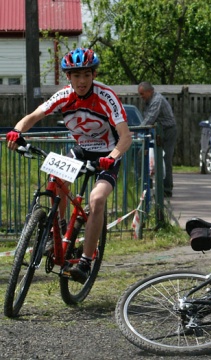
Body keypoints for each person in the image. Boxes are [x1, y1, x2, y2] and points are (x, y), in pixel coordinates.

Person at [6, 48, 132, 284]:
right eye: (76, 76)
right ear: (68, 77)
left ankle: (85, 261)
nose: (82, 81)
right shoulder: (64, 95)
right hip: (82, 149)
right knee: (54, 177)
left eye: (86, 75)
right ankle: (60, 229)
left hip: (108, 152)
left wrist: (112, 156)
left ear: (93, 74)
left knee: (96, 200)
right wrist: (16, 131)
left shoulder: (106, 96)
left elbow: (126, 137)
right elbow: (33, 116)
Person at [137, 82, 177, 198]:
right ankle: (144, 186)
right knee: (141, 154)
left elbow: (150, 118)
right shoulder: (148, 101)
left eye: (142, 94)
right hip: (157, 131)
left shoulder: (157, 100)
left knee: (165, 159)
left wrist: (137, 130)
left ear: (149, 91)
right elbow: (147, 118)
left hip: (168, 131)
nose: (141, 96)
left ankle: (166, 190)